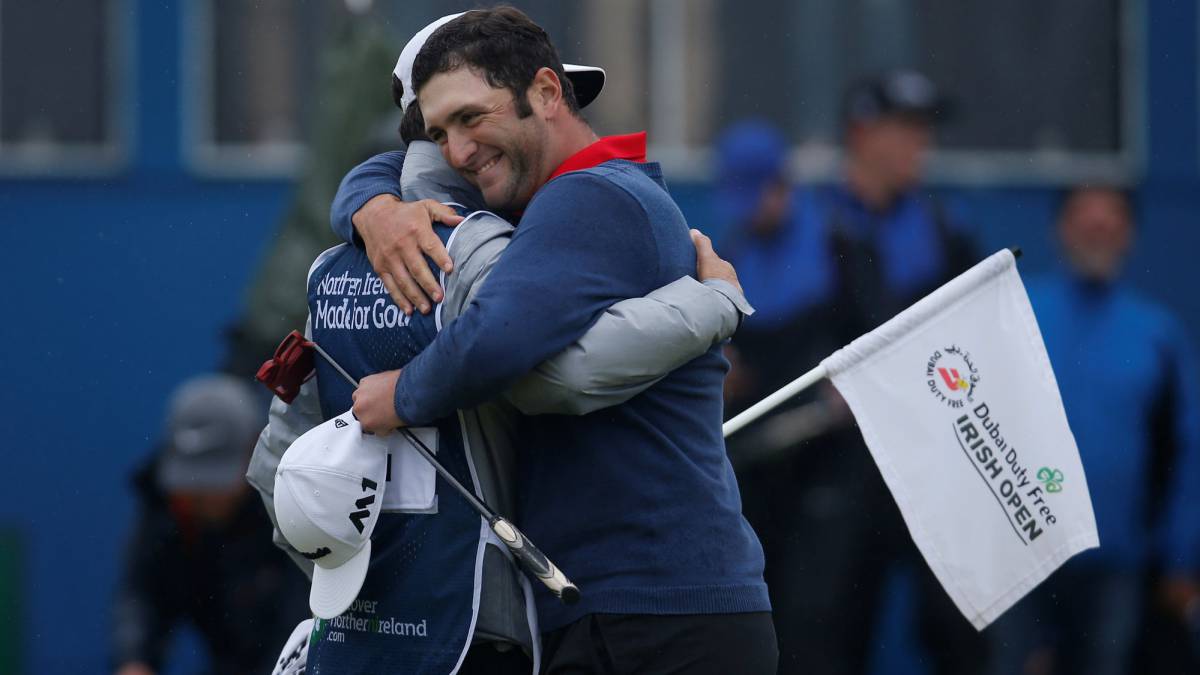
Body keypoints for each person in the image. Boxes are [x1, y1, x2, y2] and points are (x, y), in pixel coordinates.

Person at [248, 13, 757, 675]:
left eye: (473, 119)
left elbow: (526, 362)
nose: (462, 151)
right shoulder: (529, 211)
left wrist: (402, 392)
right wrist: (371, 202)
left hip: (653, 609)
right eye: (439, 134)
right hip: (625, 608)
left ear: (545, 94)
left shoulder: (584, 200)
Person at [717, 73, 985, 675]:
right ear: (863, 133)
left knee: (957, 624)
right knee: (822, 622)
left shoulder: (946, 227)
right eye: (907, 129)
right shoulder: (813, 225)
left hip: (931, 456)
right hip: (826, 465)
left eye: (924, 130)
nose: (921, 144)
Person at [986, 186, 1200, 675]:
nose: (1098, 229)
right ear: (1060, 229)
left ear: (1130, 235)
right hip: (1018, 556)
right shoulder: (1017, 314)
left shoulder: (1157, 334)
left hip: (1115, 559)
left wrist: (1180, 555)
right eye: (1086, 218)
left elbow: (1184, 450)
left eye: (1111, 220)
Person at [111, 374, 308, 675]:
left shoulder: (295, 504)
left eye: (216, 478)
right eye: (193, 480)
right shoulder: (165, 504)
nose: (203, 494)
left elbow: (303, 623)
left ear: (254, 449)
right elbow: (142, 596)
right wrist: (134, 660)